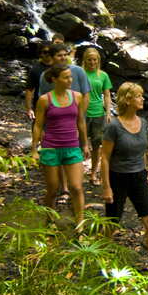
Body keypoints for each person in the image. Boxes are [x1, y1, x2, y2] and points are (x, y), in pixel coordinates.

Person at [101, 82, 148, 270]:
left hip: (138, 178)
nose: (142, 99)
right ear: (127, 100)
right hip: (118, 178)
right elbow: (104, 158)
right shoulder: (114, 126)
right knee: (112, 223)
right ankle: (99, 255)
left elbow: (142, 151)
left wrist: (144, 173)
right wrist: (106, 187)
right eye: (138, 96)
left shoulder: (143, 123)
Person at [30, 63, 90, 230]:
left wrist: (85, 145)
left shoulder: (77, 96)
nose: (70, 80)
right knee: (53, 189)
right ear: (55, 80)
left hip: (72, 147)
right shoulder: (44, 99)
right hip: (51, 148)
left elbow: (80, 122)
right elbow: (38, 125)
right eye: (66, 77)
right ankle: (50, 222)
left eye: (71, 76)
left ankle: (80, 227)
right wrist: (34, 150)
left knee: (77, 188)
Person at [81, 47, 113, 187]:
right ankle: (77, 173)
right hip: (82, 114)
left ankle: (93, 174)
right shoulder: (80, 73)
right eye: (89, 60)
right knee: (79, 144)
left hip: (98, 114)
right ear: (85, 60)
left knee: (96, 145)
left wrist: (108, 113)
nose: (92, 62)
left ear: (98, 60)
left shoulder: (103, 75)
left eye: (95, 59)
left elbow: (106, 95)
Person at [24, 43, 54, 120]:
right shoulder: (35, 70)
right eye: (45, 52)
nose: (48, 54)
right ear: (40, 53)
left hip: (58, 105)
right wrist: (29, 109)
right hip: (39, 105)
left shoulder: (58, 67)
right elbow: (29, 89)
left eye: (50, 52)